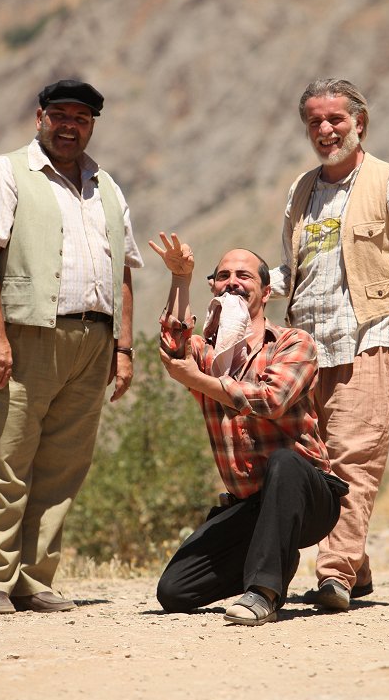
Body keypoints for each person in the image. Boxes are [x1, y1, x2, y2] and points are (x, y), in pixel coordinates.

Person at [270, 78, 389, 611]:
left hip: (367, 334)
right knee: (315, 459)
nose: (325, 129)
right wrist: (256, 281)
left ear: (361, 122)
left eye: (335, 119)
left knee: (356, 455)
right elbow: (292, 267)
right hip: (305, 345)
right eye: (315, 121)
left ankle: (333, 575)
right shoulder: (302, 190)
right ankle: (358, 567)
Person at [0, 79, 143, 615]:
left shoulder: (105, 184)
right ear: (39, 117)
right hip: (22, 334)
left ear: (91, 125)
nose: (68, 125)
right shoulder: (3, 174)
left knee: (64, 462)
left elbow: (123, 270)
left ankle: (34, 580)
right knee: (1, 454)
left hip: (92, 339)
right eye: (58, 115)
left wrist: (123, 348)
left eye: (79, 118)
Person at [149, 232, 348, 626]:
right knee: (175, 591)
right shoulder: (208, 353)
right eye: (222, 276)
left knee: (285, 463)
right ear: (213, 287)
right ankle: (274, 556)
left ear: (266, 291)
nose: (232, 282)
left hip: (309, 496)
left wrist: (202, 381)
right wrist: (180, 278)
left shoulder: (294, 342)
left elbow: (272, 400)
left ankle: (264, 593)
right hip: (250, 505)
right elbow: (175, 348)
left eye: (244, 275)